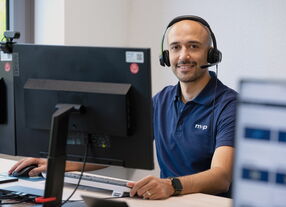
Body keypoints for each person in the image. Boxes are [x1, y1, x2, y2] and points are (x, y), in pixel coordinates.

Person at [9, 15, 237, 200]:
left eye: (193, 47)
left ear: (211, 54)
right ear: (166, 56)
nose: (183, 56)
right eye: (176, 47)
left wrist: (170, 185)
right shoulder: (162, 100)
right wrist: (58, 163)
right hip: (168, 201)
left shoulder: (230, 105)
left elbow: (221, 176)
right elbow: (117, 153)